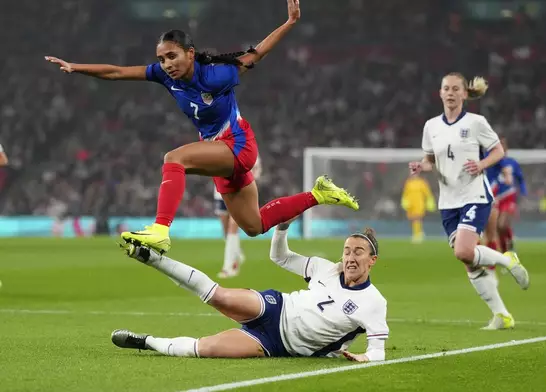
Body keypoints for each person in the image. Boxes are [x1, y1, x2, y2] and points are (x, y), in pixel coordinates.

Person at [45, 0, 358, 255]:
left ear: (189, 53)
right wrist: (76, 67)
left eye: (172, 56)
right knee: (254, 225)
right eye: (162, 58)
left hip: (238, 146)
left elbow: (257, 54)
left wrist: (289, 22)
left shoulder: (216, 75)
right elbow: (115, 73)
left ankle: (160, 230)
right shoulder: (164, 76)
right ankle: (319, 194)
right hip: (222, 157)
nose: (167, 64)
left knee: (173, 159)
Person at [112, 221, 389, 361]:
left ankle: (146, 342)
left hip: (278, 346)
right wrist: (282, 227)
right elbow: (280, 257)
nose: (350, 258)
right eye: (347, 251)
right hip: (277, 307)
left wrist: (365, 357)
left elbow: (379, 351)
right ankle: (150, 257)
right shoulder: (325, 268)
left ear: (371, 260)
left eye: (358, 253)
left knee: (204, 348)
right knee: (218, 296)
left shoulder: (373, 301)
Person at [409, 73, 530, 330]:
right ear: (440, 93)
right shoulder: (431, 126)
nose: (450, 93)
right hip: (448, 201)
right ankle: (502, 315)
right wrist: (422, 166)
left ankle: (508, 260)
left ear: (465, 94)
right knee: (468, 261)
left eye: (456, 89)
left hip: (475, 194)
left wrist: (482, 164)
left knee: (464, 250)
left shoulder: (476, 123)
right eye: (446, 89)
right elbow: (430, 160)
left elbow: (497, 151)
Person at [214, 155, 262, 278]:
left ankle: (229, 267)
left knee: (232, 227)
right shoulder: (221, 150)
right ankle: (237, 253)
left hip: (240, 193)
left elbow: (256, 172)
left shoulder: (249, 151)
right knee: (226, 231)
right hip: (220, 193)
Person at [494, 138, 527, 253]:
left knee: (501, 224)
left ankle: (510, 238)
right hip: (496, 198)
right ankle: (505, 253)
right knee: (498, 228)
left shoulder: (512, 163)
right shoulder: (492, 163)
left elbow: (520, 178)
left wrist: (523, 191)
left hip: (509, 197)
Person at [400, 173, 436, 243]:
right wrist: (404, 201)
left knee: (417, 218)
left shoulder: (422, 182)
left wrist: (429, 201)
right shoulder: (408, 182)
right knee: (413, 219)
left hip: (419, 203)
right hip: (410, 204)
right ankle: (418, 233)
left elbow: (427, 193)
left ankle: (418, 235)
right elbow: (405, 193)